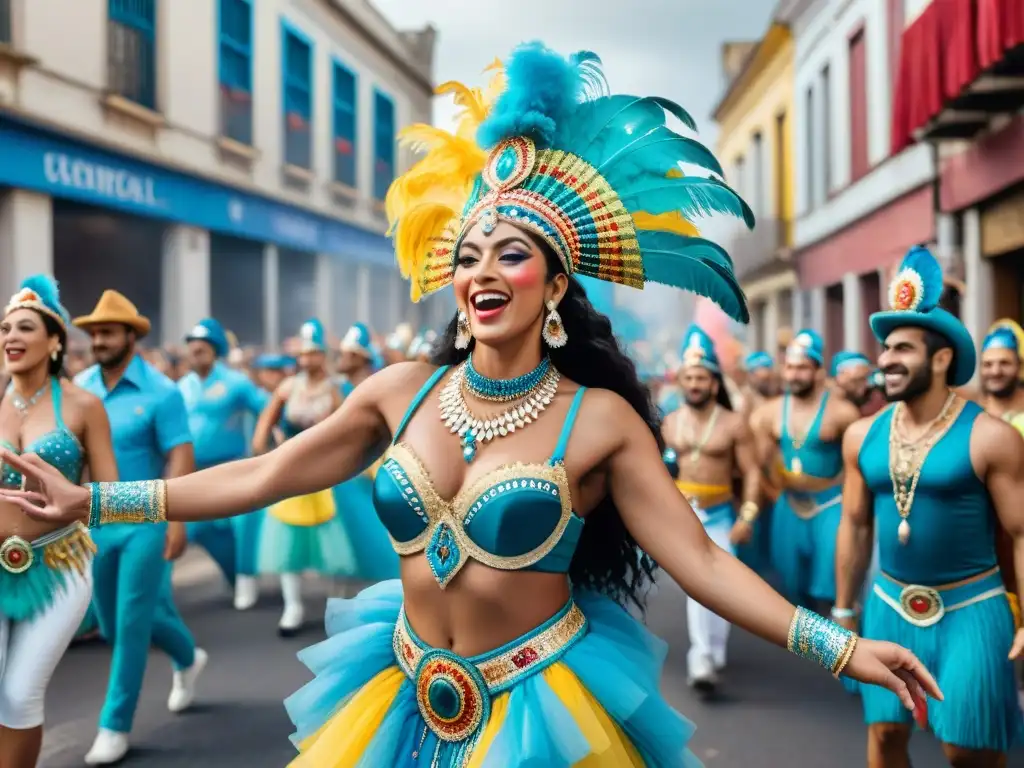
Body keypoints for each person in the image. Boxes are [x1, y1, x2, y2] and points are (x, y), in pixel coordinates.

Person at [1, 43, 939, 767]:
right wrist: (92, 503)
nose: (481, 271)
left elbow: (695, 558)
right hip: (400, 690)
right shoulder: (401, 393)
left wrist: (839, 647)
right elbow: (263, 473)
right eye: (466, 254)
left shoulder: (597, 420)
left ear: (556, 282)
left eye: (509, 253)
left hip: (538, 708)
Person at [834, 246, 1024, 767]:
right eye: (886, 347)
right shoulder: (860, 436)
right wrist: (844, 608)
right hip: (888, 606)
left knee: (966, 750)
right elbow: (854, 525)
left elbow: (1022, 531)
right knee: (886, 739)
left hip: (972, 610)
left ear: (941, 359)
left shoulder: (992, 437)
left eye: (903, 349)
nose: (886, 359)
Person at [72, 290, 207, 765]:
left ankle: (114, 724)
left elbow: (180, 455)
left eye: (108, 332)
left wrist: (177, 518)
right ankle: (189, 656)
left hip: (147, 518)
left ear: (132, 336)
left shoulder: (162, 391)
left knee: (130, 621)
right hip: (96, 520)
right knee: (111, 622)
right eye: (93, 334)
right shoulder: (80, 386)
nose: (98, 340)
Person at [0, 276, 115, 767]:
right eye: (5, 328)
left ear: (55, 341)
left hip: (61, 563)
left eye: (25, 327)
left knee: (20, 695)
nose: (11, 336)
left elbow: (109, 492)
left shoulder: (83, 405)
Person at [662, 324, 760, 693]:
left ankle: (713, 651)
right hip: (684, 517)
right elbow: (658, 470)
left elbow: (751, 473)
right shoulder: (669, 424)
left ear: (715, 383)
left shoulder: (735, 424)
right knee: (699, 586)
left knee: (722, 588)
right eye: (688, 377)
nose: (694, 384)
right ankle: (701, 656)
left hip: (720, 516)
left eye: (701, 377)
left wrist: (748, 515)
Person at [251, 318, 355, 636]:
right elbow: (262, 430)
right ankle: (292, 605)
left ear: (324, 354)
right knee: (285, 539)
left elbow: (352, 432)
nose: (307, 359)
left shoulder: (337, 391)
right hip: (292, 472)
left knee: (334, 543)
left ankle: (337, 606)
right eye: (303, 353)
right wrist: (266, 456)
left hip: (327, 474)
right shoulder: (287, 388)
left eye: (313, 353)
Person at [752, 329, 861, 611]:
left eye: (802, 368)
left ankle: (835, 645)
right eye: (789, 367)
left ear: (818, 372)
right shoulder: (768, 413)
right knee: (791, 585)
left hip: (831, 504)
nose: (794, 375)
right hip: (788, 503)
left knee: (828, 584)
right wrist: (775, 495)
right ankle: (807, 644)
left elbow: (855, 467)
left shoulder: (843, 412)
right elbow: (759, 464)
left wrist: (852, 507)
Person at [178, 317, 270, 610]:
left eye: (202, 348)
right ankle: (233, 574)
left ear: (216, 350)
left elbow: (267, 407)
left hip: (232, 466)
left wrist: (262, 440)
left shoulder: (236, 382)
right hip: (195, 471)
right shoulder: (181, 387)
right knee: (202, 529)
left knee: (241, 525)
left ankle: (245, 580)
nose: (195, 352)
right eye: (192, 347)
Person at [332, 322, 399, 584]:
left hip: (374, 469)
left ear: (361, 358)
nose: (341, 359)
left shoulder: (379, 387)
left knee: (376, 534)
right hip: (344, 472)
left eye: (348, 354)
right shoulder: (337, 389)